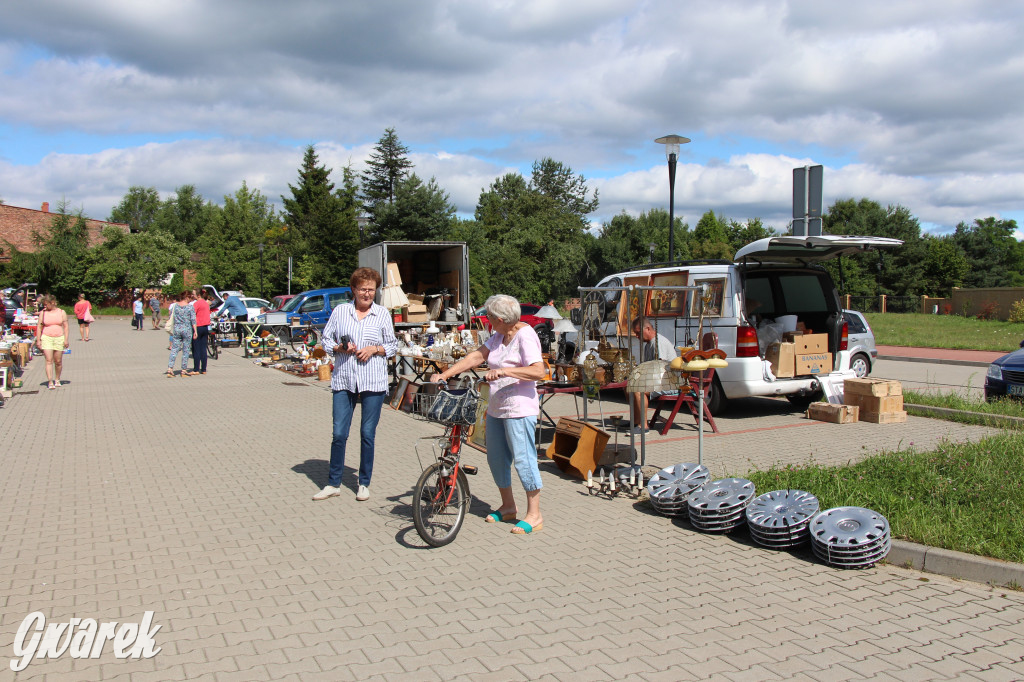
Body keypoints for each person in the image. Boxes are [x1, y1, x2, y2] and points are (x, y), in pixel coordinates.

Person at [433, 294, 547, 535]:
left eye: (490, 318)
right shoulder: (498, 336)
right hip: (495, 407)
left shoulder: (526, 335)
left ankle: (534, 514)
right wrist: (446, 373)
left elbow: (539, 371)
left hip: (519, 408)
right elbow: (476, 357)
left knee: (523, 459)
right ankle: (508, 506)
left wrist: (505, 371)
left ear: (502, 319)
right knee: (496, 459)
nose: (487, 322)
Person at [312, 267, 397, 503]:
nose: (367, 293)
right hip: (344, 379)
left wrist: (374, 349)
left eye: (371, 289)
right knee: (339, 433)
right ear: (354, 289)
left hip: (373, 380)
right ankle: (333, 483)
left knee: (367, 434)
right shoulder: (340, 312)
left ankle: (364, 482)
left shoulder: (381, 314)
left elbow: (392, 346)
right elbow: (326, 339)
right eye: (363, 289)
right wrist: (340, 347)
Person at [629, 317, 677, 431]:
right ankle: (636, 421)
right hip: (660, 380)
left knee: (638, 390)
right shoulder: (648, 344)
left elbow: (660, 368)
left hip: (669, 382)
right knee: (629, 388)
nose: (637, 336)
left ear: (648, 328)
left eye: (638, 333)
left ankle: (643, 426)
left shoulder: (658, 343)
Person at [35, 295, 69, 389]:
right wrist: (38, 340)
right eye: (44, 305)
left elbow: (66, 326)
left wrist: (66, 339)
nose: (45, 307)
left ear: (52, 302)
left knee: (58, 361)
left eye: (46, 305)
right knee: (49, 360)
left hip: (59, 337)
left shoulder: (62, 312)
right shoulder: (43, 313)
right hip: (47, 337)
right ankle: (50, 381)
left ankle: (57, 378)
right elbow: (39, 326)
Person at [166, 291, 197, 377]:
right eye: (190, 297)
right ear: (187, 297)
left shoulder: (175, 306)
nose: (191, 299)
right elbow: (193, 320)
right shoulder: (190, 307)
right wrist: (195, 331)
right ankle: (183, 370)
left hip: (177, 329)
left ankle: (170, 368)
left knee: (174, 349)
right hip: (187, 329)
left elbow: (171, 316)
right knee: (186, 350)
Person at [191, 289, 211, 375]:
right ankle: (204, 369)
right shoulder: (206, 303)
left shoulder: (196, 303)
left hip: (198, 327)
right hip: (205, 327)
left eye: (193, 294)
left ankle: (196, 369)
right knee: (203, 348)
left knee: (196, 349)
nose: (192, 296)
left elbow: (192, 315)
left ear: (198, 295)